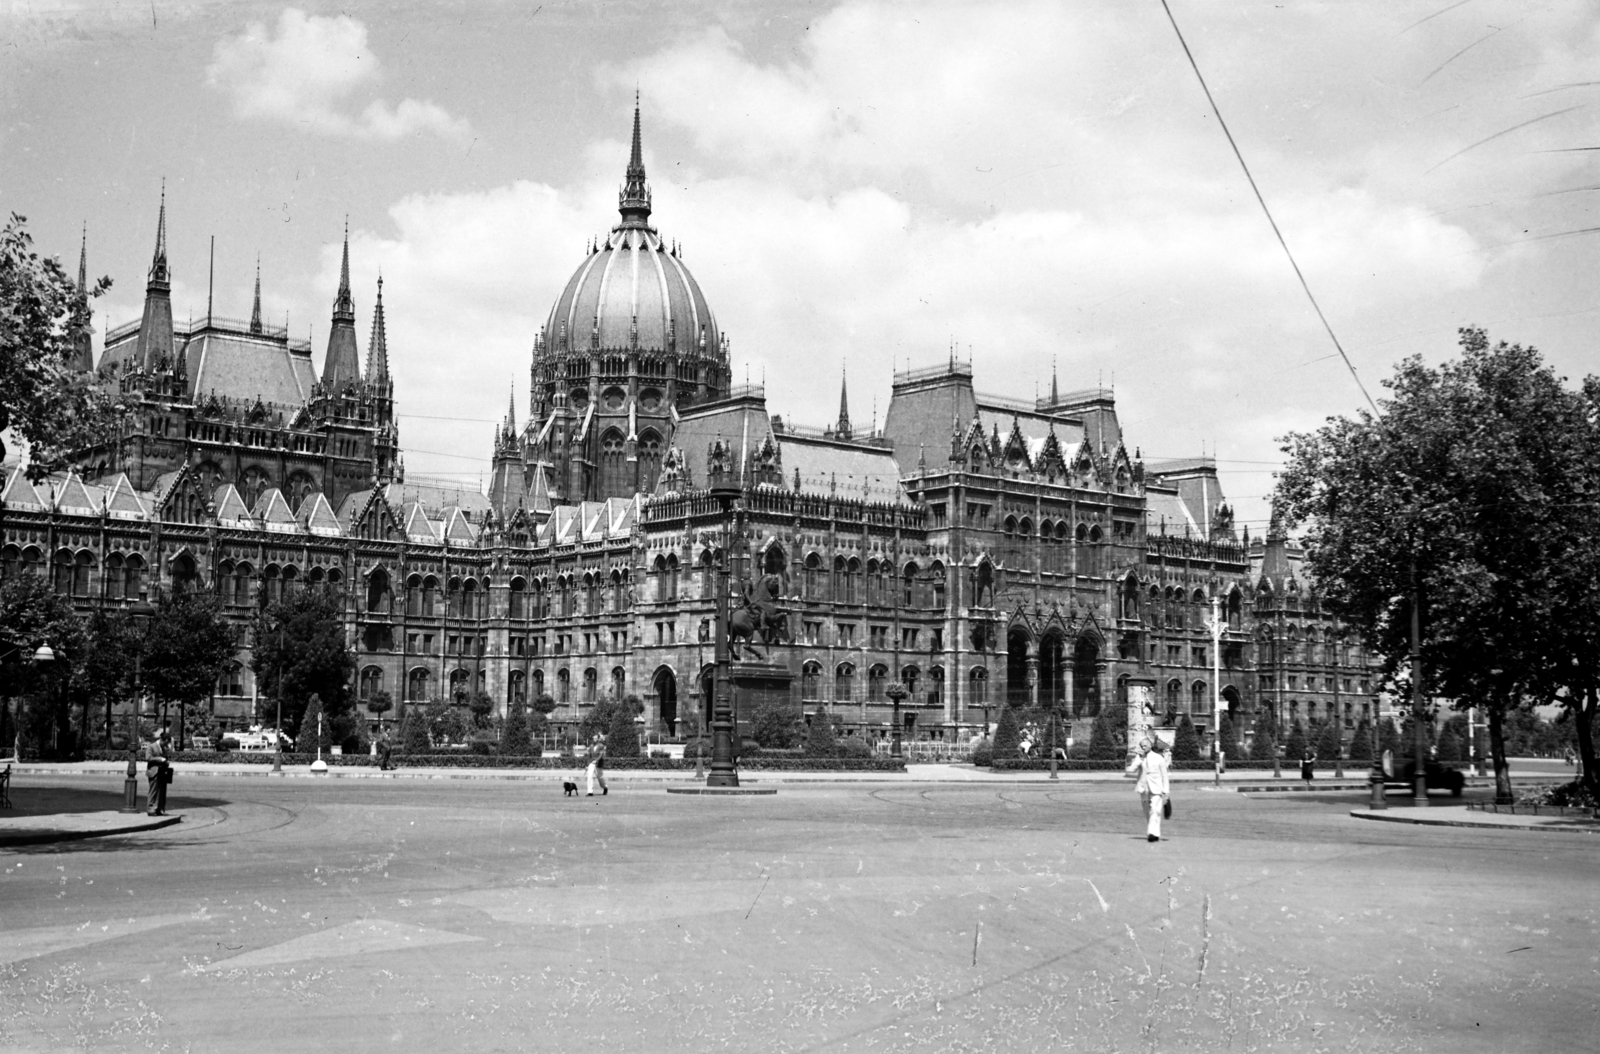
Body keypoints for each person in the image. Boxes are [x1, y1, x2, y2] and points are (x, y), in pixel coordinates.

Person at [1126, 737, 1170, 842]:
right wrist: (1139, 760)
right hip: (1144, 789)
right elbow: (1130, 770)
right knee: (1147, 812)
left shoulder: (1158, 758)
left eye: (1145, 745)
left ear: (1150, 746)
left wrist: (1166, 791)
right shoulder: (1139, 758)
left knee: (1155, 810)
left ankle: (1151, 833)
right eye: (1141, 746)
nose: (1143, 747)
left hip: (1156, 788)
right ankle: (1155, 833)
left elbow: (1164, 775)